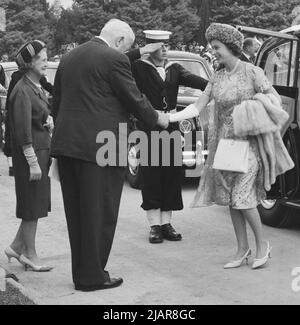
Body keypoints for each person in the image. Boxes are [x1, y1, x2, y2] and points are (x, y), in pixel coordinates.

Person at [50, 19, 169, 292]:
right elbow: (133, 97)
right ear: (118, 42)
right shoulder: (113, 59)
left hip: (69, 146)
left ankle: (82, 273)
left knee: (78, 215)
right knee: (100, 214)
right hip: (104, 147)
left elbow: (56, 102)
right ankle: (93, 277)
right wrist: (157, 118)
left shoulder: (70, 57)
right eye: (126, 46)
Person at [168, 23, 284, 270]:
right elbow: (197, 107)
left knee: (243, 198)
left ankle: (263, 246)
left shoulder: (253, 72)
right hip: (226, 146)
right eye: (212, 47)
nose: (214, 52)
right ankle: (242, 249)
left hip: (250, 144)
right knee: (232, 199)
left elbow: (275, 100)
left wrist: (254, 107)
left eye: (217, 47)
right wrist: (168, 118)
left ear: (231, 47)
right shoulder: (217, 77)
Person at [131, 30, 208, 244]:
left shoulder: (174, 68)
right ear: (151, 48)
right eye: (160, 46)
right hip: (149, 125)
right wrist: (141, 51)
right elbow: (119, 60)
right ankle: (154, 225)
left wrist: (216, 84)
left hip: (172, 126)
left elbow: (197, 81)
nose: (165, 49)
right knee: (152, 175)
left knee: (171, 175)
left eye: (166, 45)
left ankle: (166, 223)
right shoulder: (138, 67)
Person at [4, 40, 53, 272]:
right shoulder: (22, 90)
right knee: (31, 207)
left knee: (35, 205)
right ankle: (29, 255)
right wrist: (33, 163)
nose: (46, 62)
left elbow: (36, 119)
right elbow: (23, 132)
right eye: (42, 59)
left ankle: (16, 247)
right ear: (30, 63)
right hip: (30, 158)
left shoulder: (35, 86)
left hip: (40, 155)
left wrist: (47, 121)